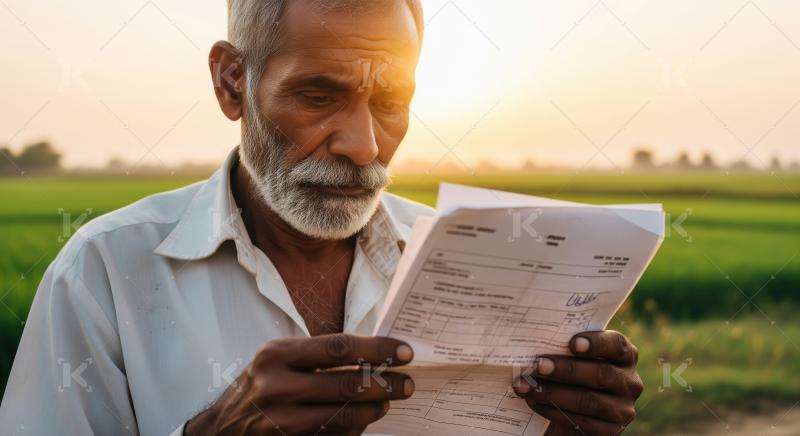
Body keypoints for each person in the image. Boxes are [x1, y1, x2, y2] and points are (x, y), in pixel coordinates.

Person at [0, 1, 642, 434]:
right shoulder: (105, 271)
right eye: (318, 94)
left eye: (390, 101)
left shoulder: (477, 260)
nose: (363, 146)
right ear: (231, 83)